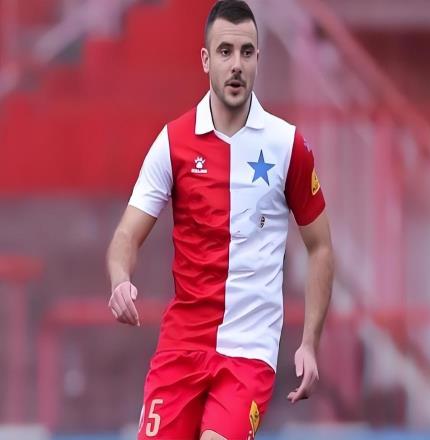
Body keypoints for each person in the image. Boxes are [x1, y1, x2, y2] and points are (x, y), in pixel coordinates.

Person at [106, 1, 334, 439]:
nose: (236, 65)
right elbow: (126, 235)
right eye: (225, 52)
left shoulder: (287, 145)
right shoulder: (173, 142)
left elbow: (320, 246)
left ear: (258, 59)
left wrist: (309, 342)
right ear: (206, 60)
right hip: (181, 347)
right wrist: (120, 280)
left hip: (249, 353)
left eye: (246, 52)